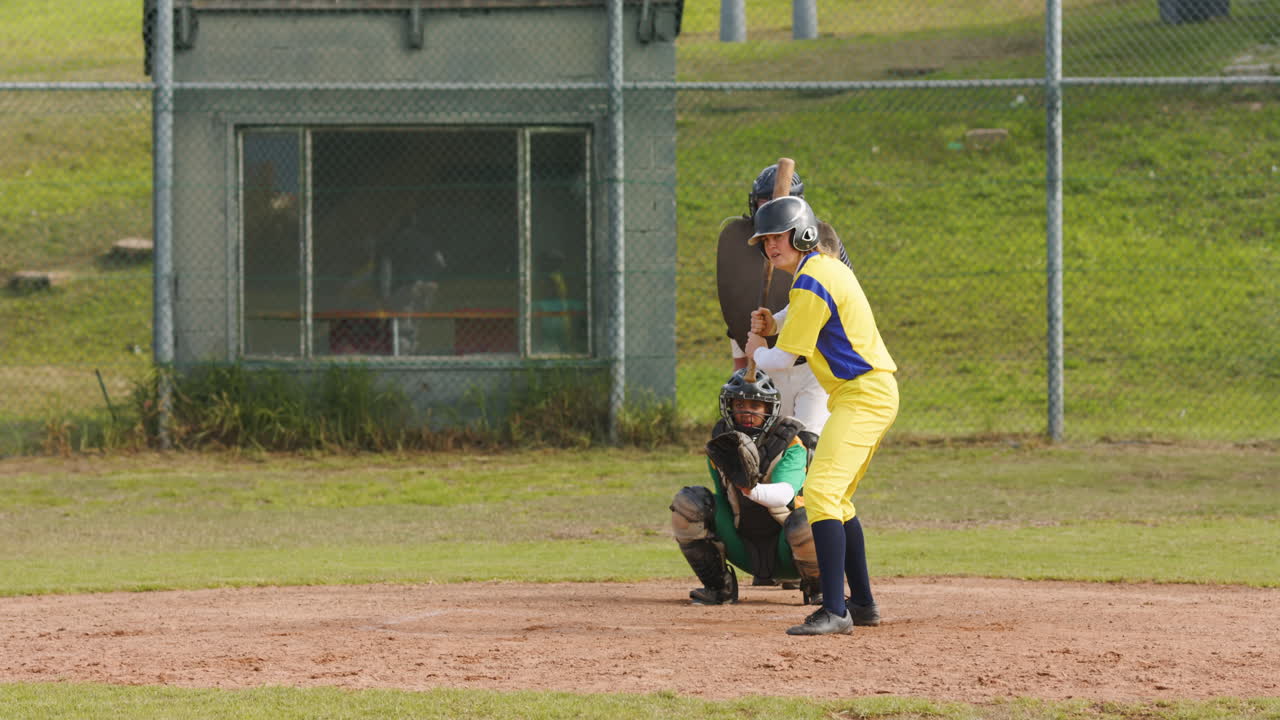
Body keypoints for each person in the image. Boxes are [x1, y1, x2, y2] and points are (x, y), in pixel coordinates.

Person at [744, 194, 899, 636]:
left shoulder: (813, 278)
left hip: (863, 394)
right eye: (765, 241)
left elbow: (790, 356)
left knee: (822, 494)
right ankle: (862, 604)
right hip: (863, 394)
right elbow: (800, 317)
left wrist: (761, 349)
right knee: (839, 501)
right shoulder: (821, 272)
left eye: (778, 236)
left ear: (803, 233)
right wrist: (773, 324)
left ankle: (835, 610)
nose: (771, 247)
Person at [716, 164, 853, 436]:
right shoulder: (738, 242)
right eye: (763, 203)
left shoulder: (820, 246)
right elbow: (736, 306)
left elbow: (828, 302)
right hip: (767, 368)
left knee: (806, 442)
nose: (769, 211)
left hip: (813, 366)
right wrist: (743, 360)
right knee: (764, 449)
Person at [669, 368, 822, 607]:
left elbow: (785, 493)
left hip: (790, 550)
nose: (747, 412)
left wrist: (752, 489)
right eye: (740, 404)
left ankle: (818, 589)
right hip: (743, 545)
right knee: (689, 503)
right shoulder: (722, 444)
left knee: (807, 520)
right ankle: (719, 588)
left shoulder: (791, 443)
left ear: (769, 409)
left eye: (756, 406)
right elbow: (723, 502)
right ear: (729, 407)